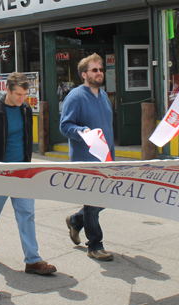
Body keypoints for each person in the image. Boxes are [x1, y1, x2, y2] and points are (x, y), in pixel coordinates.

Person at [0, 72, 56, 275]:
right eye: (18, 94)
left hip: (22, 171)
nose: (22, 98)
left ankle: (33, 260)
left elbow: (25, 137)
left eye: (25, 94)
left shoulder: (26, 109)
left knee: (27, 213)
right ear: (7, 91)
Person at [59, 53, 115, 262]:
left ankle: (75, 220)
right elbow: (65, 126)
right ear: (84, 74)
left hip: (106, 159)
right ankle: (95, 245)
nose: (99, 73)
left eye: (100, 69)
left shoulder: (104, 96)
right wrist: (83, 131)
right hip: (86, 158)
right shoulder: (75, 96)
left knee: (105, 199)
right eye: (94, 70)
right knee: (93, 201)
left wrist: (112, 158)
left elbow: (107, 129)